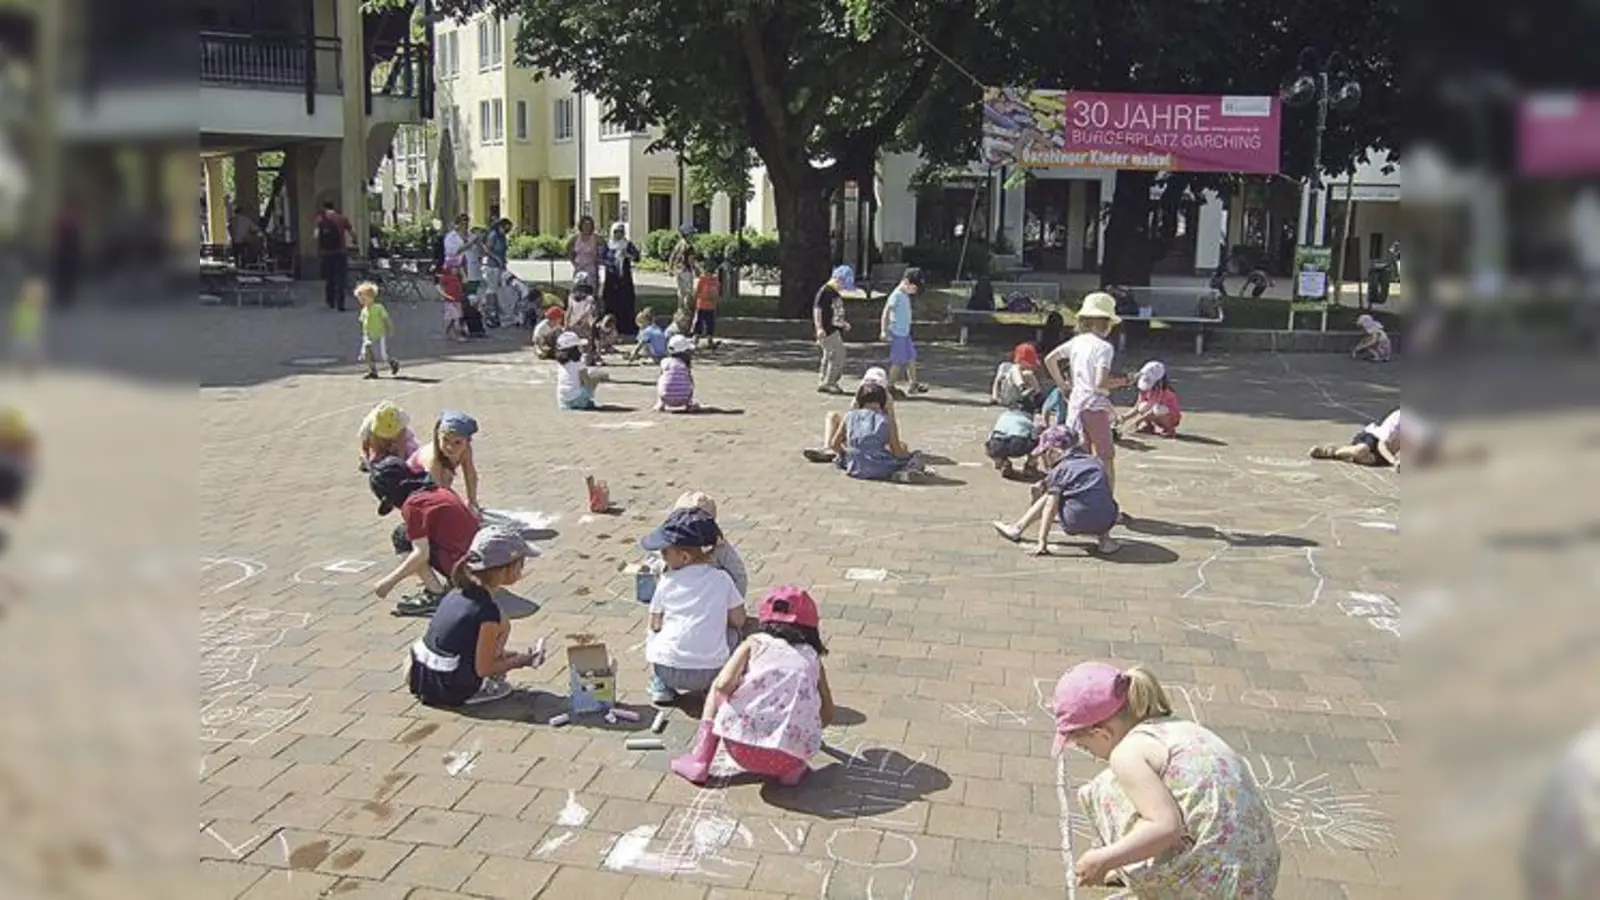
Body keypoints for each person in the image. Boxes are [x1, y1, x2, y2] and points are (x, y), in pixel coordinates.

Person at [1051, 662, 1280, 895]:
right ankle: (1144, 865)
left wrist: (1102, 859)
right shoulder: (1177, 727)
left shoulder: (1126, 754)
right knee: (1141, 792)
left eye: (1084, 745)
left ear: (1101, 733)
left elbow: (1166, 826)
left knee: (1104, 790)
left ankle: (1141, 872)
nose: (1086, 751)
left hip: (1216, 884)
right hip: (1257, 873)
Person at [670, 585, 836, 786]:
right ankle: (791, 771)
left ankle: (701, 759)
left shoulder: (755, 642)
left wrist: (737, 698)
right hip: (789, 756)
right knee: (794, 747)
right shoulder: (812, 658)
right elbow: (827, 712)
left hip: (740, 748)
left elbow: (723, 685)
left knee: (716, 687)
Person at [408, 526, 546, 707]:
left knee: (499, 623)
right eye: (521, 563)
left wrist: (503, 656)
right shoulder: (487, 612)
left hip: (421, 675)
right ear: (508, 569)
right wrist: (521, 661)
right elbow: (484, 668)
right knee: (501, 623)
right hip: (447, 688)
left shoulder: (458, 591)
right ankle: (478, 688)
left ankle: (479, 670)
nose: (523, 567)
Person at [640, 507, 748, 705]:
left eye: (665, 551)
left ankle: (661, 686)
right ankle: (717, 687)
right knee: (735, 633)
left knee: (654, 629)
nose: (662, 556)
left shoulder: (667, 580)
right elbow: (739, 619)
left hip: (666, 669)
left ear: (684, 557)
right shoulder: (722, 579)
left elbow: (654, 624)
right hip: (711, 671)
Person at [369, 456, 479, 616]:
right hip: (479, 563)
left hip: (465, 569)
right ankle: (450, 583)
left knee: (402, 536)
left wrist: (389, 582)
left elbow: (421, 553)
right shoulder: (438, 490)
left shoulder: (413, 505)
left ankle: (436, 594)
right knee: (415, 533)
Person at [1044, 292, 1128, 495]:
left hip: (1076, 405)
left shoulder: (1077, 342)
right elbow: (1100, 383)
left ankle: (1061, 493)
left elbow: (1050, 359)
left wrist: (1063, 385)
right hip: (1094, 406)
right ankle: (1106, 501)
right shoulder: (1104, 348)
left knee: (1078, 454)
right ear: (1106, 322)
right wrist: (1125, 381)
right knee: (1105, 456)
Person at [992, 424, 1121, 555]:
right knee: (1098, 496)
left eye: (1045, 453)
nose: (1044, 458)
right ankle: (1105, 541)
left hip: (1075, 521)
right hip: (1106, 520)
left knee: (1052, 495)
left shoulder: (1061, 469)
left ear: (1054, 451)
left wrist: (1042, 541)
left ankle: (1018, 528)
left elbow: (1050, 507)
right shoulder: (1094, 462)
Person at [826, 381, 927, 483]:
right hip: (881, 468)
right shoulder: (885, 420)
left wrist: (845, 454)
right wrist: (908, 455)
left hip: (854, 467)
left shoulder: (849, 416)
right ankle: (903, 473)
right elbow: (897, 451)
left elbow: (834, 444)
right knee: (917, 456)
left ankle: (843, 462)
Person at [803, 368, 910, 464]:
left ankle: (831, 450)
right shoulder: (884, 406)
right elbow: (892, 430)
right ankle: (830, 450)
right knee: (901, 447)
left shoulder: (861, 398)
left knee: (833, 418)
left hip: (859, 441)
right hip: (872, 440)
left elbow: (848, 422)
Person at [668, 492, 749, 597]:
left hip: (708, 597)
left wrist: (733, 604)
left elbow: (738, 575)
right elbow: (739, 575)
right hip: (681, 594)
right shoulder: (668, 542)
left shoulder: (719, 547)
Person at [1309, 408, 1439, 471]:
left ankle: (1346, 455)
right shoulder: (1398, 416)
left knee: (1367, 460)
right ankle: (1332, 452)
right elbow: (1382, 444)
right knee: (1362, 450)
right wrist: (1394, 461)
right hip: (1373, 438)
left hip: (1387, 454)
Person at [408, 411, 482, 516]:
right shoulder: (433, 459)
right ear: (438, 437)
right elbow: (440, 494)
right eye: (445, 440)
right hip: (412, 483)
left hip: (434, 482)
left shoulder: (466, 450)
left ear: (467, 441)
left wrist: (472, 501)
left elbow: (470, 475)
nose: (450, 447)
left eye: (457, 442)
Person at [879, 266, 928, 396]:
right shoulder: (897, 295)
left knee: (911, 357)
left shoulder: (905, 294)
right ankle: (889, 386)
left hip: (905, 333)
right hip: (897, 334)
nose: (914, 292)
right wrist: (884, 330)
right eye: (914, 288)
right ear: (906, 282)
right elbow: (886, 312)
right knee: (898, 361)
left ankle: (913, 383)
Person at [814, 265, 853, 393]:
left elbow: (835, 313)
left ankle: (824, 380)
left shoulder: (834, 293)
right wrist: (819, 327)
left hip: (833, 329)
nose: (843, 288)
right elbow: (817, 310)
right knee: (838, 354)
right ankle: (830, 382)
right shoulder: (825, 291)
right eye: (843, 284)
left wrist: (843, 323)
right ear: (838, 279)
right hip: (827, 330)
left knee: (829, 355)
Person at [1119, 361, 1181, 437]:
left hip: (1170, 416)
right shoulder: (1144, 389)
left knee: (1158, 409)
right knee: (1142, 406)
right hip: (1155, 414)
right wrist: (1124, 417)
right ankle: (1148, 426)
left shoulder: (1162, 391)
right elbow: (1137, 407)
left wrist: (1137, 421)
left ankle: (1169, 429)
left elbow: (1151, 411)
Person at [354, 281, 401, 379]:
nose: (361, 301)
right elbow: (363, 322)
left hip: (379, 335)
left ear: (371, 297)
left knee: (381, 355)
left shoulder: (378, 308)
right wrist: (364, 333)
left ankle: (392, 362)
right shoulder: (364, 310)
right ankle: (372, 371)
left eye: (363, 298)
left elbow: (386, 318)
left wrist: (390, 328)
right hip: (368, 335)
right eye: (360, 299)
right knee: (367, 352)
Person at [600, 222, 641, 334]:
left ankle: (626, 326)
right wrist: (612, 260)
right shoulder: (608, 245)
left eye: (621, 232)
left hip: (625, 279)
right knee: (611, 301)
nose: (619, 234)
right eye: (616, 232)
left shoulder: (627, 244)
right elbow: (601, 258)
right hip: (612, 278)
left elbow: (637, 257)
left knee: (626, 302)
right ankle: (611, 326)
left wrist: (627, 255)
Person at [554, 330, 611, 410]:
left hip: (563, 400)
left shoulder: (561, 364)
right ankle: (585, 401)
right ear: (574, 349)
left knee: (589, 375)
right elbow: (587, 382)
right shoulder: (578, 364)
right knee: (595, 376)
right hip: (576, 399)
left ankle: (576, 402)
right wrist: (600, 377)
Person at [986, 400, 1043, 479]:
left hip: (997, 443)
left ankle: (1002, 462)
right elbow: (1034, 436)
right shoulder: (1027, 420)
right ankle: (1030, 466)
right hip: (1017, 444)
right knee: (1039, 440)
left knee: (992, 445)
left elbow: (990, 436)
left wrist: (995, 457)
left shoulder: (1004, 415)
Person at [356, 400, 419, 471]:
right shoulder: (367, 427)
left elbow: (402, 443)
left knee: (412, 451)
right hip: (378, 439)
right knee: (375, 458)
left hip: (397, 435)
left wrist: (401, 462)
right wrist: (368, 462)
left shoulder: (401, 418)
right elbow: (365, 447)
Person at [314, 201, 353, 311]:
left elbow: (316, 236)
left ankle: (330, 301)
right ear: (334, 207)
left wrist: (319, 249)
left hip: (326, 253)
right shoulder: (342, 218)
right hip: (340, 252)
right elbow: (351, 231)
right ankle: (341, 303)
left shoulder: (320, 220)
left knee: (329, 278)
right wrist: (355, 241)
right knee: (340, 278)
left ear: (324, 208)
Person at [656, 334, 701, 412]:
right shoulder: (684, 364)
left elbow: (663, 376)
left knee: (662, 378)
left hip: (665, 397)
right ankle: (689, 404)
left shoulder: (665, 361)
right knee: (688, 379)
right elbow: (690, 381)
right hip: (684, 398)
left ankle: (661, 403)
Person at [481, 218, 513, 328]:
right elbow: (487, 250)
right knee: (492, 289)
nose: (507, 231)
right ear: (500, 226)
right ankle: (489, 311)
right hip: (492, 266)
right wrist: (496, 259)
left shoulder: (502, 236)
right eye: (506, 228)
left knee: (500, 290)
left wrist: (503, 262)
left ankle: (499, 312)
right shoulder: (493, 235)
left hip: (500, 266)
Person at [992, 342, 1044, 409]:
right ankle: (1022, 387)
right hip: (1007, 394)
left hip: (1020, 399)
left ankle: (1038, 399)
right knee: (1015, 368)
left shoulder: (1028, 372)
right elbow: (997, 382)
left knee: (1028, 374)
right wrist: (994, 397)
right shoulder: (1006, 366)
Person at [668, 224, 699, 329]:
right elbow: (691, 261)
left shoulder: (679, 244)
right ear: (687, 234)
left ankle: (680, 311)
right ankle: (686, 312)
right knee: (688, 293)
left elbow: (672, 256)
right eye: (691, 234)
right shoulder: (689, 246)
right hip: (686, 270)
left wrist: (671, 267)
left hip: (678, 270)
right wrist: (696, 270)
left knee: (680, 292)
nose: (693, 236)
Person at [568, 215, 603, 289]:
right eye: (585, 225)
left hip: (591, 268)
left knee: (590, 290)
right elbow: (569, 250)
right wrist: (574, 262)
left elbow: (603, 250)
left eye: (589, 225)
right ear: (581, 226)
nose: (587, 227)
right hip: (579, 267)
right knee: (578, 290)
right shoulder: (575, 238)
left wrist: (599, 261)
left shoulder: (597, 239)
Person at [692, 262, 720, 350]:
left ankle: (699, 339)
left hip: (704, 305)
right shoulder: (711, 280)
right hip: (707, 305)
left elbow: (696, 292)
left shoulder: (705, 280)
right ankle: (706, 339)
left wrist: (694, 299)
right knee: (707, 323)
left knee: (702, 323)